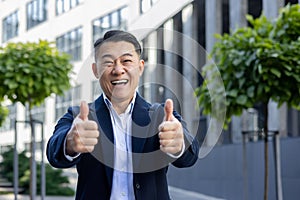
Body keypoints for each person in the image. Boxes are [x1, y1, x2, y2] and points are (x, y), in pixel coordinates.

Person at [47, 30, 199, 200]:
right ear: (96, 70)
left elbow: (190, 156)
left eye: (126, 61)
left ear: (140, 67)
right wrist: (69, 143)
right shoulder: (79, 117)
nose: (118, 70)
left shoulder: (161, 116)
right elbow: (54, 153)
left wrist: (179, 145)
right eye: (108, 62)